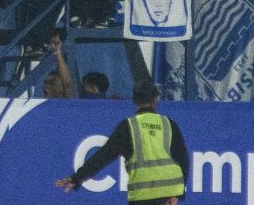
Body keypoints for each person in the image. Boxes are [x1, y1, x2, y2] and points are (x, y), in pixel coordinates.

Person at [56, 81, 188, 203]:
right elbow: (183, 160)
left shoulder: (128, 127)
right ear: (155, 99)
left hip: (143, 193)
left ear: (135, 101)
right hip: (170, 192)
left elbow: (103, 156)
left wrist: (77, 178)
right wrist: (178, 193)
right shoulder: (169, 124)